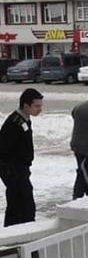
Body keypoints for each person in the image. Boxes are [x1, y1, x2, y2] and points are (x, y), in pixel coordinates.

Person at [0, 89, 43, 227]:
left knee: (23, 204)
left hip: (21, 169)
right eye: (37, 106)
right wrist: (10, 172)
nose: (40, 109)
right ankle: (16, 232)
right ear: (26, 106)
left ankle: (23, 229)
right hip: (13, 171)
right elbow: (4, 149)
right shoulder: (14, 123)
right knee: (20, 204)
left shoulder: (25, 120)